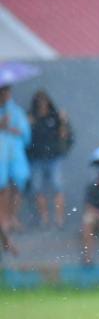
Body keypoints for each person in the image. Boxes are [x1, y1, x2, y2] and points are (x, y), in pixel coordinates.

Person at [26, 89, 73, 228]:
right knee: (37, 188)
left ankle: (59, 220)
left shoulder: (55, 117)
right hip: (36, 158)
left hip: (54, 158)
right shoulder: (30, 118)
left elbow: (65, 136)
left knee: (57, 187)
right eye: (39, 101)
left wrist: (64, 121)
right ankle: (44, 219)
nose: (42, 104)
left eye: (44, 101)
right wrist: (27, 125)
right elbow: (24, 138)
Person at [0, 84, 30, 254]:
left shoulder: (16, 111)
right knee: (2, 187)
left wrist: (11, 129)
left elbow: (25, 135)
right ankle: (4, 218)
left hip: (14, 152)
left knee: (17, 183)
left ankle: (12, 217)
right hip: (1, 153)